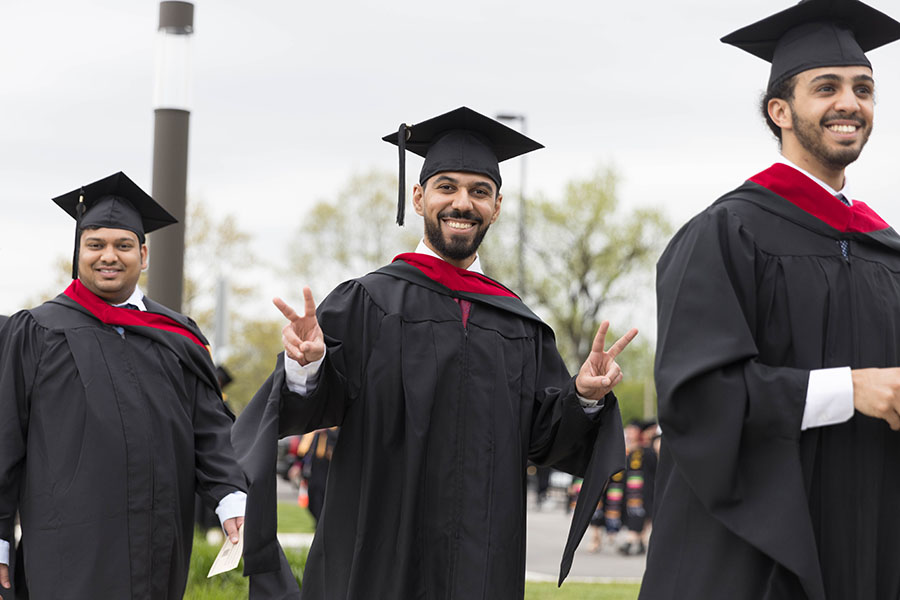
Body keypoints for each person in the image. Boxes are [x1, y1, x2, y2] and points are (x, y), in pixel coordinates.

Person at [233, 107, 637, 599]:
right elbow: (316, 403)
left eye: (479, 191)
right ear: (420, 197)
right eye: (447, 187)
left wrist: (583, 396)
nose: (462, 203)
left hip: (482, 562)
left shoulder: (518, 324)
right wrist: (308, 364)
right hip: (379, 558)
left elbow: (543, 437)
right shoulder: (369, 302)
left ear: (498, 205)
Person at [641, 1, 900, 598]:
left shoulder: (884, 251)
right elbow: (698, 397)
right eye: (826, 87)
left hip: (871, 546)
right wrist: (849, 389)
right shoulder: (726, 233)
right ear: (779, 111)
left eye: (863, 90)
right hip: (757, 557)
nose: (850, 103)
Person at [0, 172, 247, 599]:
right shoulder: (38, 332)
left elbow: (209, 431)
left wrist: (230, 499)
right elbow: (4, 442)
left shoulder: (177, 336)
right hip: (67, 549)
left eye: (123, 245)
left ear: (144, 254)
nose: (108, 256)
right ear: (77, 253)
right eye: (95, 245)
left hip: (158, 544)